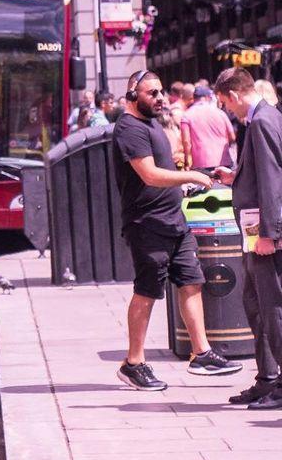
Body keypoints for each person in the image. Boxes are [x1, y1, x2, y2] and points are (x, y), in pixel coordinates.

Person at [112, 69, 242, 390]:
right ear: (132, 96)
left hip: (174, 220)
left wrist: (183, 185)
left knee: (192, 282)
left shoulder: (151, 124)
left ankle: (201, 353)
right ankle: (134, 363)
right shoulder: (129, 128)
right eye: (151, 93)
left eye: (160, 93)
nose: (159, 98)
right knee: (147, 292)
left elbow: (164, 170)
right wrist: (190, 178)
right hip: (148, 224)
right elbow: (150, 175)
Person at [212, 68, 282, 409]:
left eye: (225, 102)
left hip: (264, 234)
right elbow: (259, 173)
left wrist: (271, 233)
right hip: (253, 230)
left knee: (273, 308)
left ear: (236, 94)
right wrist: (234, 177)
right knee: (255, 305)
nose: (227, 109)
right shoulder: (259, 121)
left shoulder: (263, 122)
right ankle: (267, 377)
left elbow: (273, 179)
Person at [180, 83, 237, 170]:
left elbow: (186, 142)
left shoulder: (187, 115)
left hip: (201, 163)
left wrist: (187, 162)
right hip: (224, 162)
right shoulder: (220, 113)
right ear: (208, 97)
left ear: (194, 98)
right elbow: (232, 137)